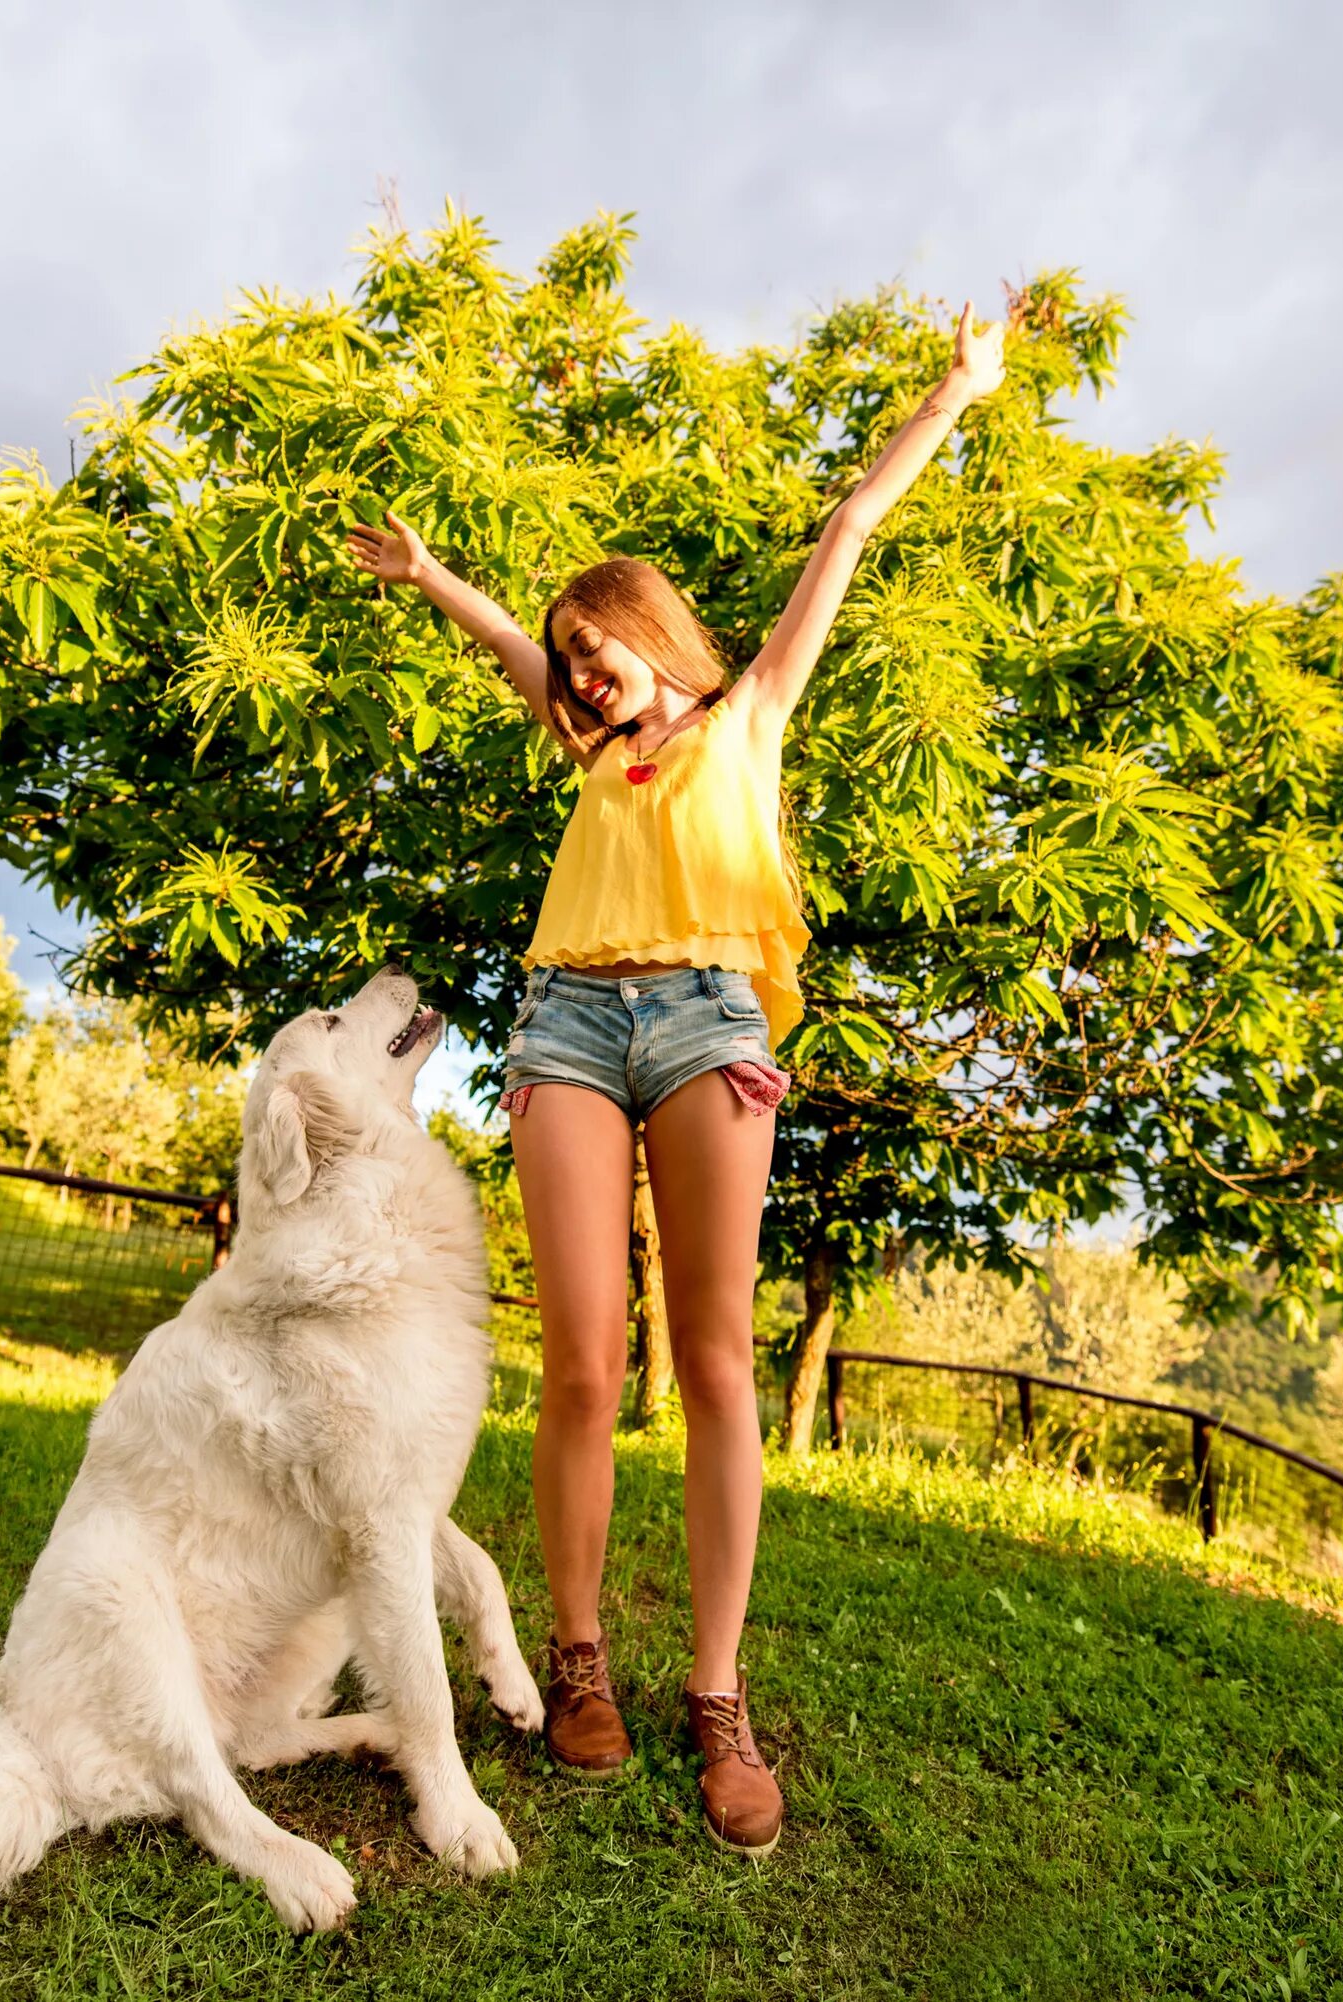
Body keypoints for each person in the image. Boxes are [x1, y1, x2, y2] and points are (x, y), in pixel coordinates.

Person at [344, 303, 1009, 1855]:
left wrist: (958, 391)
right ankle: (576, 1658)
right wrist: (435, 575)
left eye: (602, 648)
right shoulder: (587, 755)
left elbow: (850, 521)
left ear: (656, 635)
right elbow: (505, 637)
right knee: (582, 1355)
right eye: (570, 663)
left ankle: (716, 1695)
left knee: (713, 1359)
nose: (579, 672)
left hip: (713, 1026)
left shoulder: (749, 714)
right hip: (569, 1027)